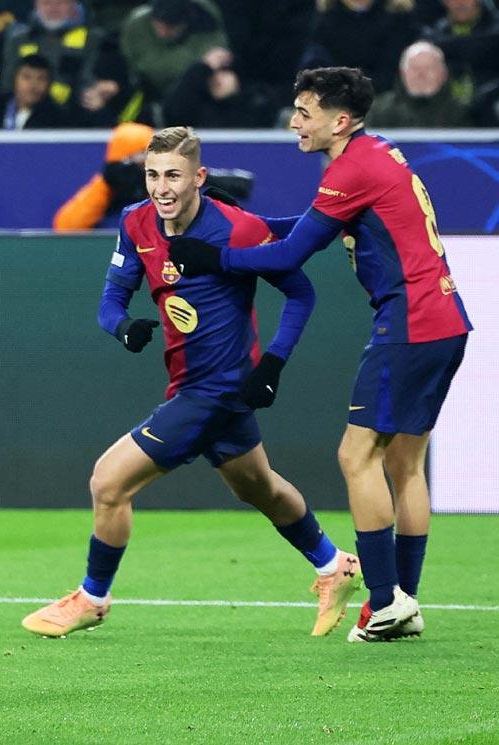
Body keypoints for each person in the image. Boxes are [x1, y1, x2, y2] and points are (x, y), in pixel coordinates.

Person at [22, 126, 362, 640]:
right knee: (260, 487)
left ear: (198, 177)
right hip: (190, 385)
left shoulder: (237, 229)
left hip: (217, 390)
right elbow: (110, 300)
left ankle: (92, 598)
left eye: (173, 176)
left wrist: (273, 362)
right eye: (152, 175)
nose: (161, 187)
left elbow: (300, 292)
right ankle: (333, 564)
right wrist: (123, 327)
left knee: (108, 483)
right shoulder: (136, 222)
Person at [168, 67, 472, 642]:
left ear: (341, 119)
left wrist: (216, 258)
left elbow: (290, 256)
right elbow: (310, 229)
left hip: (409, 322)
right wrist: (244, 223)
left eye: (305, 112)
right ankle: (401, 601)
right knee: (404, 464)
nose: (294, 122)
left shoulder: (352, 166)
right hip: (445, 319)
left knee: (356, 457)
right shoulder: (376, 154)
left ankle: (384, 602)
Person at [368, 40, 470, 127]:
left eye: (428, 68)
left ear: (443, 74)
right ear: (402, 73)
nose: (421, 75)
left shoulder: (461, 113)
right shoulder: (378, 111)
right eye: (414, 68)